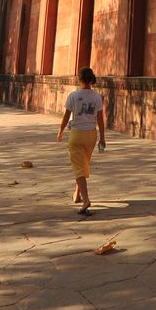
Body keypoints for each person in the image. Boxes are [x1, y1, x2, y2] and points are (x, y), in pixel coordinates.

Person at [56, 66, 106, 216]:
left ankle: (86, 200)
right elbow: (100, 119)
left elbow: (66, 116)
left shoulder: (74, 95)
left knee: (78, 167)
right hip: (91, 134)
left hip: (77, 134)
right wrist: (102, 137)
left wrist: (61, 131)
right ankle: (77, 194)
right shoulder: (97, 97)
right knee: (83, 165)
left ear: (80, 79)